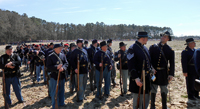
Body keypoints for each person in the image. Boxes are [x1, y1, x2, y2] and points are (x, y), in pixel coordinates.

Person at [127, 32, 154, 109]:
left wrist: (152, 69)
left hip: (147, 78)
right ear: (143, 38)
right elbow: (131, 65)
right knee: (137, 101)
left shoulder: (144, 48)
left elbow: (148, 61)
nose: (147, 40)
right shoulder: (132, 48)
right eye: (147, 38)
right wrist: (136, 78)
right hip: (139, 79)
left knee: (146, 100)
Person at [149, 31, 175, 109]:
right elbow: (149, 60)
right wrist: (151, 68)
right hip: (154, 72)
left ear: (168, 39)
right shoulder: (153, 47)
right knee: (153, 89)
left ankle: (164, 106)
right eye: (162, 36)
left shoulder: (170, 50)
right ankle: (152, 106)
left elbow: (172, 63)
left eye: (165, 37)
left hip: (164, 73)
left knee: (164, 89)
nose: (162, 38)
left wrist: (171, 74)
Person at [47, 44, 68, 108]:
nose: (61, 49)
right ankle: (55, 105)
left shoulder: (62, 55)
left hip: (62, 76)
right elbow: (48, 67)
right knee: (55, 92)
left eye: (61, 48)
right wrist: (56, 67)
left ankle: (62, 103)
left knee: (62, 90)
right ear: (55, 48)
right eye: (60, 48)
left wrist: (63, 68)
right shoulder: (50, 56)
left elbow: (66, 63)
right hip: (54, 77)